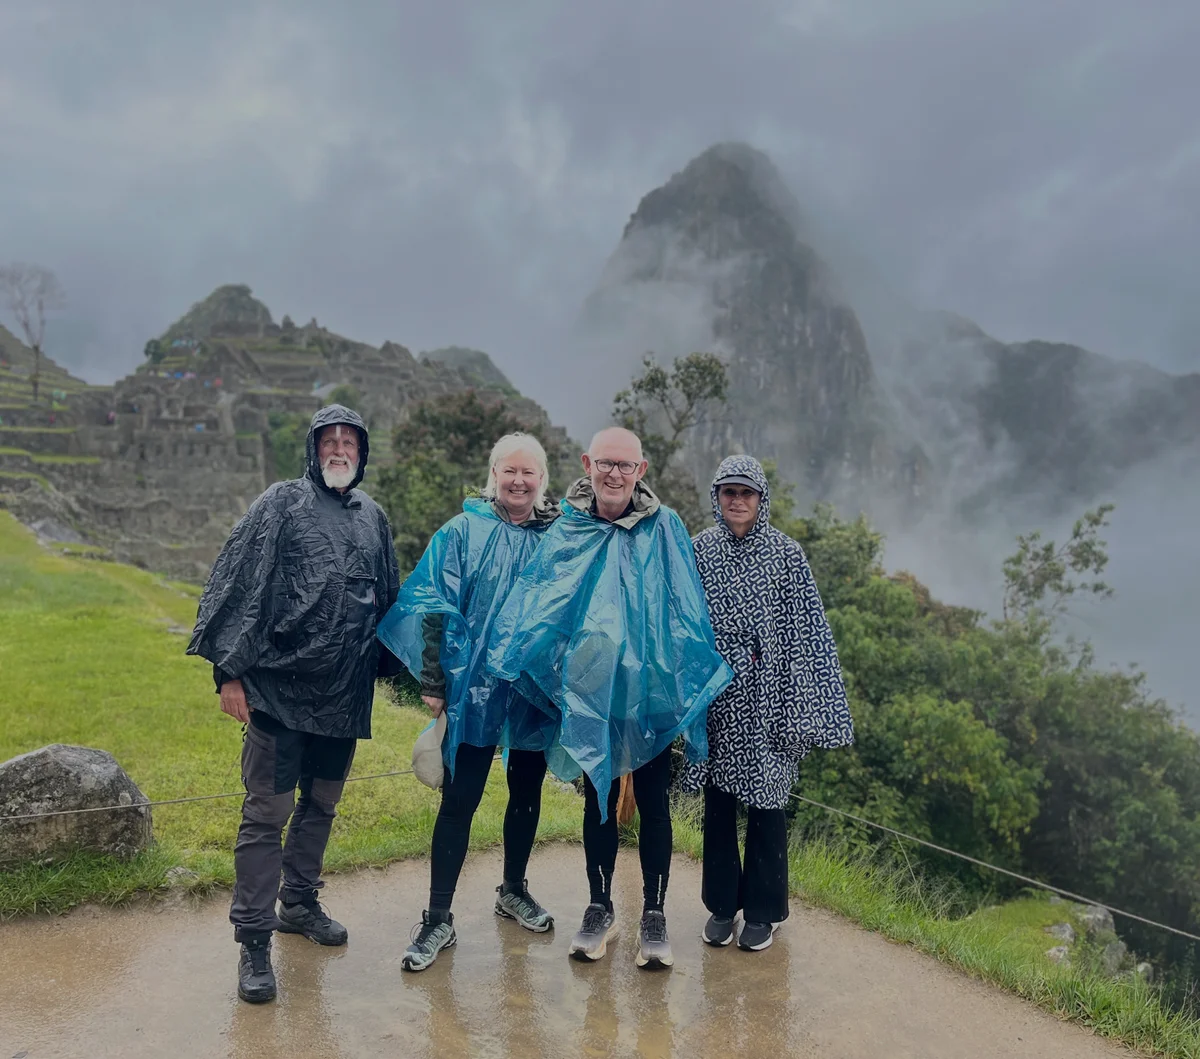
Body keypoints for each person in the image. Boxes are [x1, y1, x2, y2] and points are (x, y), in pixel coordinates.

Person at [489, 427, 732, 970]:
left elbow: (685, 608)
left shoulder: (665, 527)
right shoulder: (570, 527)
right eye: (606, 464)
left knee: (653, 802)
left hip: (648, 695)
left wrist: (682, 678)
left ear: (641, 470)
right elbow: (544, 599)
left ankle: (655, 913)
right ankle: (600, 907)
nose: (615, 474)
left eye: (625, 465)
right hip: (593, 692)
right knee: (597, 797)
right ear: (587, 464)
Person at [187, 403, 401, 1004]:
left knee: (322, 805)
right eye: (328, 441)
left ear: (361, 453)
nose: (338, 450)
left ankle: (299, 902)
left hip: (343, 693)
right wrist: (229, 671)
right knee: (267, 812)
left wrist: (417, 676)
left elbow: (388, 600)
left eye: (348, 443)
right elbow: (237, 579)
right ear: (314, 449)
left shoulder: (372, 518)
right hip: (280, 692)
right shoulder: (280, 503)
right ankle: (254, 941)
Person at [376, 433, 562, 972]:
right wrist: (433, 681)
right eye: (510, 471)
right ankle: (437, 917)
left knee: (526, 793)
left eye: (529, 473)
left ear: (542, 479)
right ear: (493, 474)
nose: (519, 481)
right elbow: (434, 603)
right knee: (460, 799)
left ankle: (513, 889)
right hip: (474, 687)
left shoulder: (558, 538)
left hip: (533, 689)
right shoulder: (463, 532)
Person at [686, 455, 853, 951]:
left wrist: (798, 702)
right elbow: (683, 621)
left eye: (747, 493)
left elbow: (809, 631)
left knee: (766, 802)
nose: (737, 501)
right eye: (728, 493)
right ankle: (722, 905)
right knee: (717, 804)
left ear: (761, 499)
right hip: (716, 694)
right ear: (716, 497)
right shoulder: (699, 550)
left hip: (769, 692)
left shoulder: (786, 555)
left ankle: (763, 910)